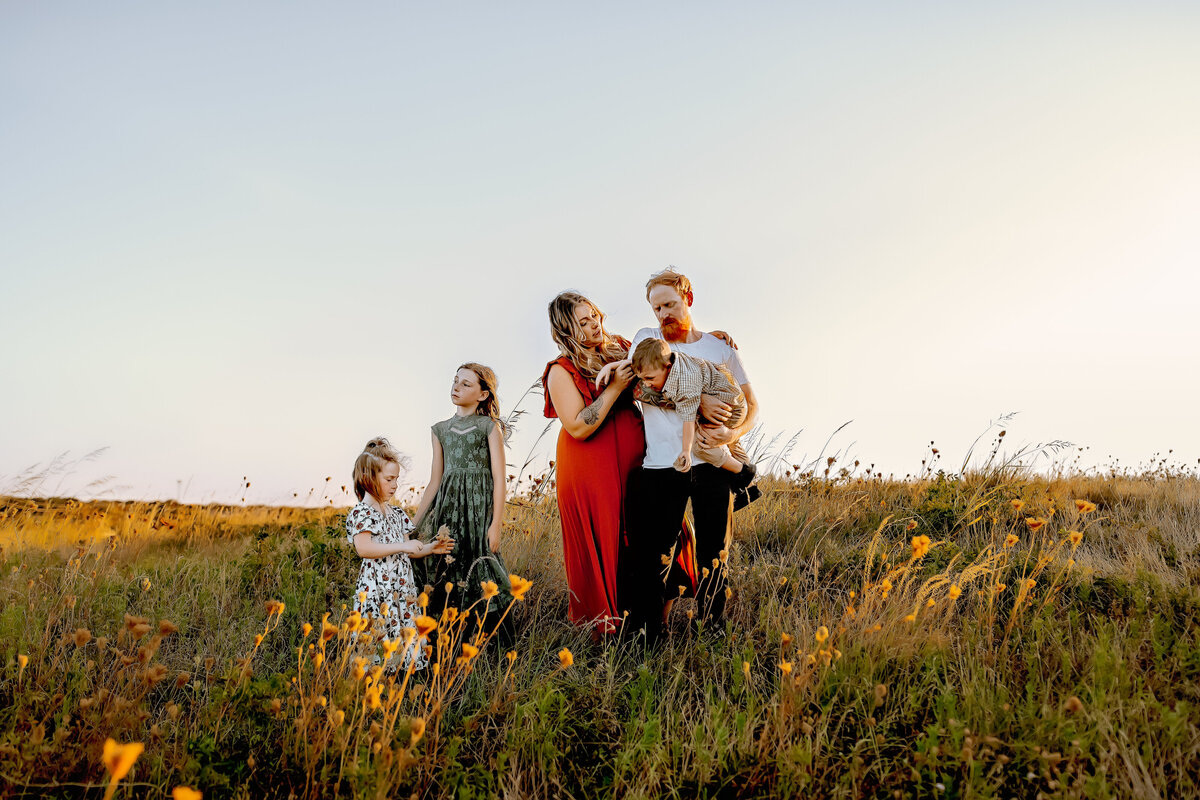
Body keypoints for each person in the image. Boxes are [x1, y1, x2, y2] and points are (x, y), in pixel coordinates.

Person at [622, 269, 760, 643]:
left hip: (711, 464)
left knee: (715, 554)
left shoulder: (719, 350)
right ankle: (649, 638)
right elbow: (637, 388)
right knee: (655, 557)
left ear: (689, 298)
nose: (663, 313)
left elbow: (752, 405)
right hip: (660, 465)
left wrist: (733, 432)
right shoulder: (646, 340)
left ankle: (711, 631)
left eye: (670, 303)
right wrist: (700, 401)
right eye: (656, 308)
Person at [542, 292, 644, 636]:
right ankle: (605, 634)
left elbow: (664, 366)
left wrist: (707, 340)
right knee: (605, 541)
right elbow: (578, 425)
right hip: (589, 466)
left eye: (595, 316)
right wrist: (614, 388)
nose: (594, 325)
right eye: (582, 322)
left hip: (637, 461)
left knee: (650, 535)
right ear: (566, 330)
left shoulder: (622, 348)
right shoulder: (561, 370)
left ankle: (649, 623)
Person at [412, 363, 513, 632]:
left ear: (482, 394)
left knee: (482, 565)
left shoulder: (488, 427)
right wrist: (415, 523)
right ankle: (451, 633)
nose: (456, 387)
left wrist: (496, 524)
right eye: (456, 381)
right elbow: (435, 480)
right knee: (448, 564)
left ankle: (489, 637)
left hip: (479, 512)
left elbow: (499, 479)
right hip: (448, 509)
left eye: (466, 384)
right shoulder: (440, 430)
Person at [346, 437, 455, 672]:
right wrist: (402, 546)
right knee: (378, 636)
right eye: (389, 479)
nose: (395, 485)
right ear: (368, 479)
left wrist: (429, 548)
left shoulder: (396, 513)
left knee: (402, 634)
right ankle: (377, 682)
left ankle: (402, 682)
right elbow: (364, 548)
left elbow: (409, 550)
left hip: (402, 590)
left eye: (396, 479)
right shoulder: (362, 513)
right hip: (377, 592)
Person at [597, 337, 755, 480]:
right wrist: (610, 366)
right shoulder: (665, 358)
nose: (645, 384)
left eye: (649, 378)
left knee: (701, 446)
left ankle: (742, 472)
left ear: (667, 367)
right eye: (642, 379)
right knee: (728, 440)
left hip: (728, 408)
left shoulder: (687, 384)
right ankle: (748, 481)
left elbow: (688, 420)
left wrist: (686, 450)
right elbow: (638, 363)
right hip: (728, 396)